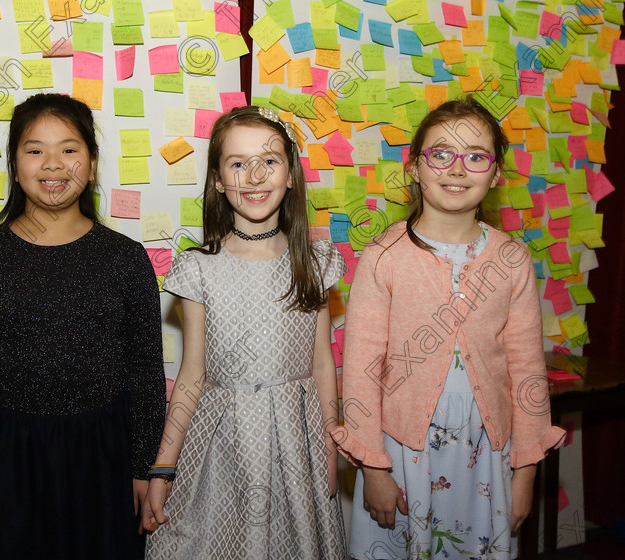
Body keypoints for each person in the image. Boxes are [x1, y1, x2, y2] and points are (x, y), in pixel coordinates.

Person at [333, 98, 565, 560]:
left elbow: (526, 369)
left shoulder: (513, 259)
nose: (457, 169)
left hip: (485, 452)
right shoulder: (384, 255)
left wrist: (525, 474)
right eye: (441, 154)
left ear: (495, 174)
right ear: (415, 167)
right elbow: (360, 367)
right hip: (401, 450)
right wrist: (373, 469)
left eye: (476, 156)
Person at [0, 93, 165, 559]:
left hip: (103, 458)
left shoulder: (125, 259)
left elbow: (145, 375)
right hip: (6, 458)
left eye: (70, 149)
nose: (53, 164)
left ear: (93, 165)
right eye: (35, 150)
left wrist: (146, 468)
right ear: (15, 166)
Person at [142, 106, 347, 559]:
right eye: (238, 163)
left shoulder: (313, 264)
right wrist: (162, 467)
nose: (254, 175)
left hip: (297, 445)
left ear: (291, 174)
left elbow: (321, 364)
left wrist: (332, 440)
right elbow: (192, 375)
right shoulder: (199, 268)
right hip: (221, 447)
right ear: (217, 180)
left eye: (269, 161)